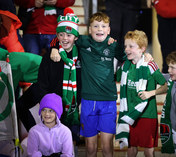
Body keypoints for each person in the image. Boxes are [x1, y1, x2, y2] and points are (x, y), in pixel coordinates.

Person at [50, 11, 127, 157]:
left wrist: (145, 56)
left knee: (107, 149)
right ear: (89, 29)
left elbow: (129, 57)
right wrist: (54, 48)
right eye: (96, 26)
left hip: (108, 101)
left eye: (103, 26)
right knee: (90, 149)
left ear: (109, 30)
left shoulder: (113, 45)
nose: (100, 29)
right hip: (88, 101)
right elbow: (63, 38)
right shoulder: (83, 42)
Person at [16, 7, 81, 139]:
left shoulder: (81, 54)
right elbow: (42, 83)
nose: (65, 38)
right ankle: (35, 133)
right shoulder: (51, 54)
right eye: (61, 35)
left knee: (67, 137)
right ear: (57, 36)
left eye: (69, 35)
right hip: (50, 94)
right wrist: (49, 102)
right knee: (19, 105)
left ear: (75, 37)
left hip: (70, 100)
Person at [115, 30, 167, 157]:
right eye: (126, 46)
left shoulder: (150, 64)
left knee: (149, 151)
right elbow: (116, 78)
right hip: (130, 114)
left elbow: (166, 86)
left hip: (148, 114)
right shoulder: (125, 66)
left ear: (142, 48)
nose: (127, 49)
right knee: (131, 149)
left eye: (131, 46)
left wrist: (151, 93)